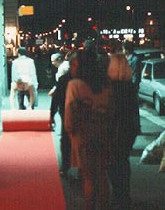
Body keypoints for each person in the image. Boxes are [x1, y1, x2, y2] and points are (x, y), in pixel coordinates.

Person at [64, 50, 111, 210]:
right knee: (103, 175)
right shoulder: (105, 83)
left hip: (83, 134)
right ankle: (104, 205)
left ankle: (90, 206)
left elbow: (70, 113)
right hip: (103, 131)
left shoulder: (75, 85)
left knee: (88, 177)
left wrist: (70, 132)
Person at [107, 53, 141, 210]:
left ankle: (117, 195)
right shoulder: (130, 87)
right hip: (129, 129)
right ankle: (124, 195)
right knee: (124, 162)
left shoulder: (110, 88)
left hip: (114, 129)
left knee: (113, 163)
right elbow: (134, 111)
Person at [50, 51, 76, 176]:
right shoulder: (89, 78)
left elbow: (56, 98)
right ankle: (81, 169)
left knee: (66, 140)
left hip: (67, 112)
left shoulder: (64, 78)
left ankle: (65, 166)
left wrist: (51, 115)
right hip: (84, 116)